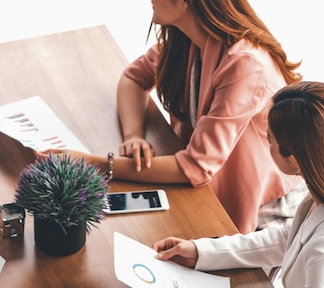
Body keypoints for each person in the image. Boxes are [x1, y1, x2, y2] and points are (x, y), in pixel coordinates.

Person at [40, 0, 306, 234]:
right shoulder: (190, 39)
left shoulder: (244, 64)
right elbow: (133, 78)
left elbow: (196, 166)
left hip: (265, 212)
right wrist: (134, 136)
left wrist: (94, 164)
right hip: (205, 189)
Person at [152, 81, 324, 288]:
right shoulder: (316, 193)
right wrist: (200, 251)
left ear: (294, 159)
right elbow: (288, 237)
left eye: (268, 139)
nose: (264, 144)